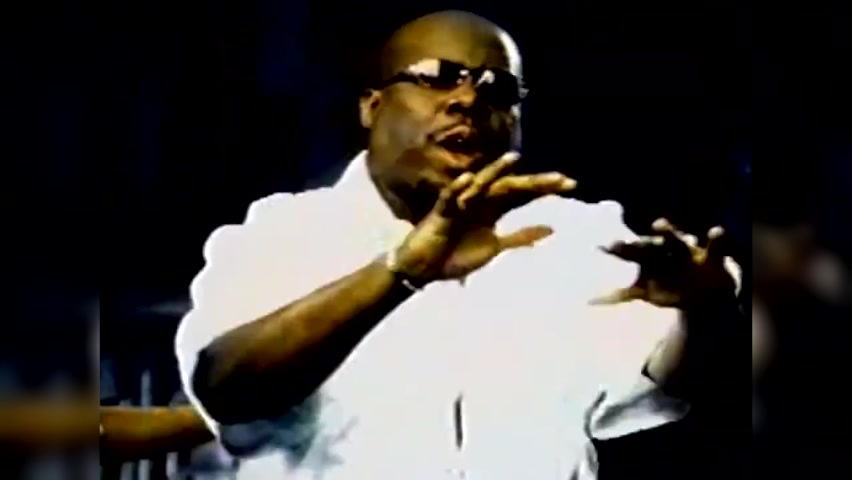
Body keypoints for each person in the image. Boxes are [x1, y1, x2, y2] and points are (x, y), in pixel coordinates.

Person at [176, 10, 740, 479]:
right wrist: (400, 273)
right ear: (372, 106)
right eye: (437, 77)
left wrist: (705, 312)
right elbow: (226, 389)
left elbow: (673, 383)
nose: (468, 98)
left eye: (498, 88)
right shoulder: (285, 231)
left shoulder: (572, 234)